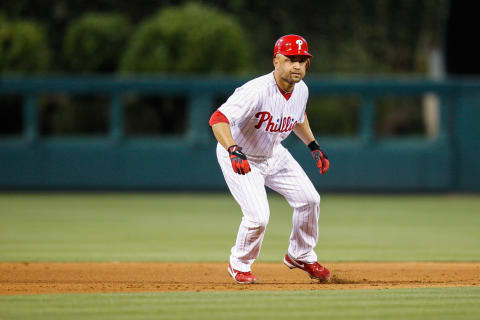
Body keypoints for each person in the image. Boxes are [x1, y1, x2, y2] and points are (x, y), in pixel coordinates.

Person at [209, 34, 330, 284]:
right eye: (290, 59)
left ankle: (300, 254)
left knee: (309, 200)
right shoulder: (256, 91)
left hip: (274, 154)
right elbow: (217, 119)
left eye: (302, 60)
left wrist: (313, 145)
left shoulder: (301, 90)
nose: (296, 65)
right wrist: (232, 149)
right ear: (276, 61)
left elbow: (298, 116)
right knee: (258, 217)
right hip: (241, 156)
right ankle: (239, 264)